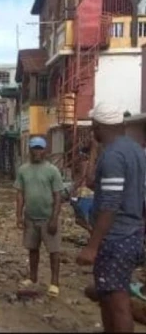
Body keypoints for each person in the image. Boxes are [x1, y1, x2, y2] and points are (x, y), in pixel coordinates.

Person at [76, 102, 146, 333]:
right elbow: (97, 185)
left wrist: (92, 247)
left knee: (117, 303)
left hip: (116, 238)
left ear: (97, 126)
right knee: (108, 295)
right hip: (132, 233)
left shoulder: (114, 155)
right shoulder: (134, 149)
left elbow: (110, 204)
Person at [15, 136, 64, 298]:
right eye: (34, 148)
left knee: (54, 251)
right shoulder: (23, 170)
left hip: (48, 217)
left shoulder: (52, 170)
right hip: (30, 217)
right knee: (33, 249)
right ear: (29, 150)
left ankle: (55, 283)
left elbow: (58, 196)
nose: (37, 151)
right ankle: (33, 277)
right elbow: (20, 194)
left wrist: (54, 219)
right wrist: (19, 216)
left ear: (45, 151)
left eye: (40, 148)